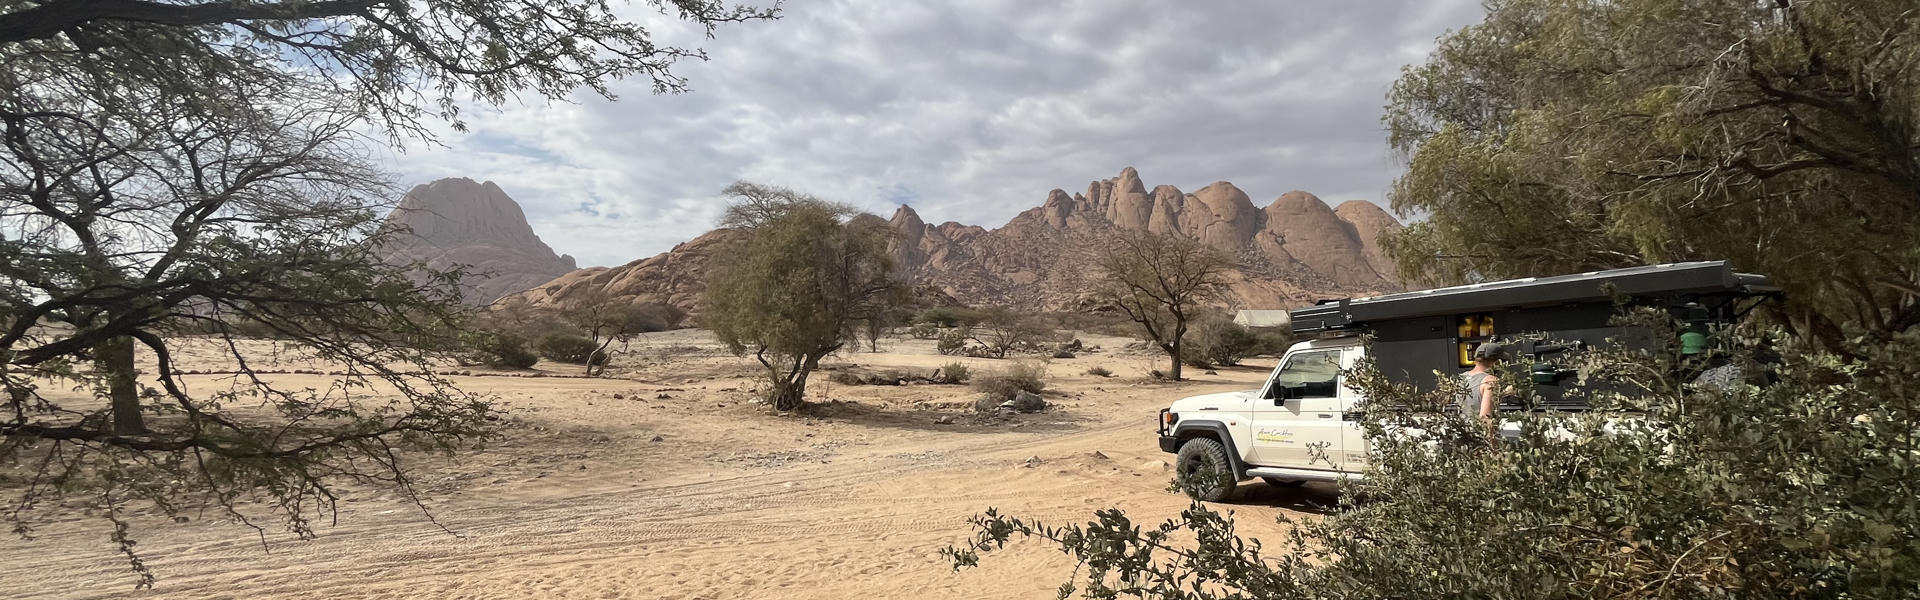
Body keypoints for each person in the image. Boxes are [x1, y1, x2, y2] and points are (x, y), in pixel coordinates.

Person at [1457, 341, 1512, 422]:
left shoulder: (1461, 378)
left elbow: (1474, 400)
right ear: (1496, 362)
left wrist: (1502, 394)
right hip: (1478, 433)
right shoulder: (1491, 381)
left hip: (1461, 431)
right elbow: (1485, 418)